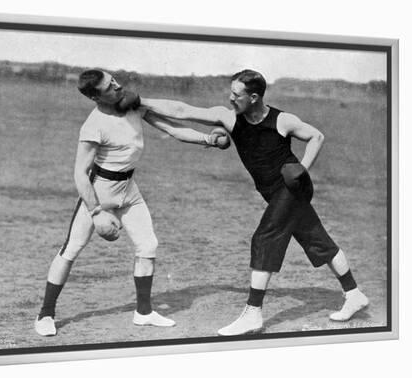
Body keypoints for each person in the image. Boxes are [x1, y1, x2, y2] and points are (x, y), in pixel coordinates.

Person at [138, 69, 369, 336]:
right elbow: (180, 110)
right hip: (272, 191)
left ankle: (253, 313)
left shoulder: (282, 120)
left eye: (236, 94)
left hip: (293, 187)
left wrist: (302, 169)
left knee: (265, 237)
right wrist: (141, 102)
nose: (230, 98)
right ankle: (354, 294)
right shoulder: (230, 118)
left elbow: (316, 136)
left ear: (254, 97)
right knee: (314, 237)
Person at [35, 69, 228, 336]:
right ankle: (45, 314)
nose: (117, 86)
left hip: (129, 190)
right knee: (71, 249)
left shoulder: (133, 106)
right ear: (94, 96)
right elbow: (80, 174)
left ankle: (144, 312)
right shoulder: (93, 125)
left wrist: (209, 140)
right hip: (100, 191)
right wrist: (97, 212)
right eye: (109, 87)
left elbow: (173, 128)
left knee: (148, 246)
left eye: (114, 80)